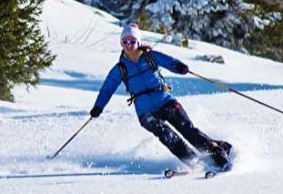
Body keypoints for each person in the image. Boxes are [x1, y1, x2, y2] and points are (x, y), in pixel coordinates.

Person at [90, 23, 233, 170]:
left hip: (166, 101)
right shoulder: (120, 68)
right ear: (121, 43)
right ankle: (194, 162)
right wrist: (98, 107)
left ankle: (219, 155)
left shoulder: (150, 57)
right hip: (146, 112)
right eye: (125, 41)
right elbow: (107, 89)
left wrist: (179, 66)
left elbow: (168, 61)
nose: (129, 45)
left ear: (138, 42)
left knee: (188, 130)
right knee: (167, 135)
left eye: (132, 41)